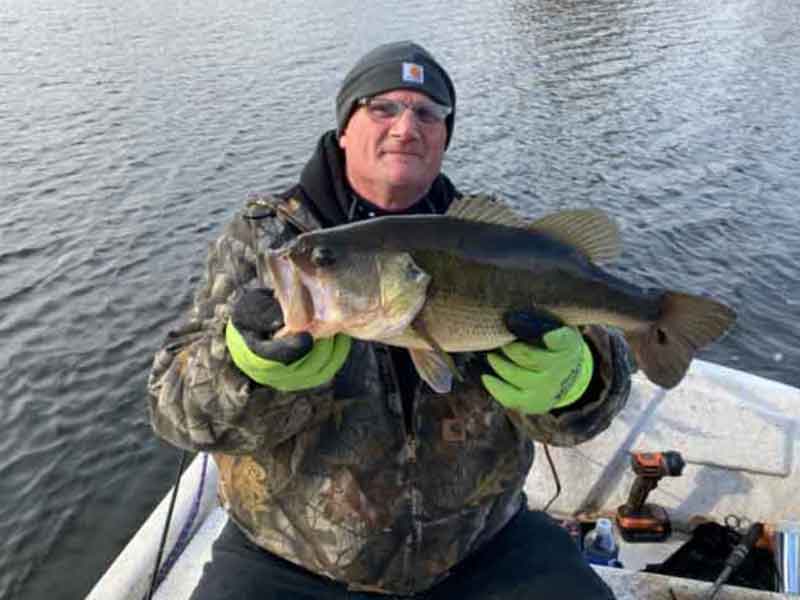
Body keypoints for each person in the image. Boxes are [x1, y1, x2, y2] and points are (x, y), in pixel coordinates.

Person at [148, 41, 632, 599]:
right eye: (383, 108)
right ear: (345, 127)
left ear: (445, 139)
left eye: (428, 113)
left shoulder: (497, 242)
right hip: (290, 561)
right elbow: (174, 413)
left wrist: (578, 383)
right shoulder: (269, 242)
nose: (406, 127)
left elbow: (587, 413)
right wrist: (244, 367)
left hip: (484, 549)